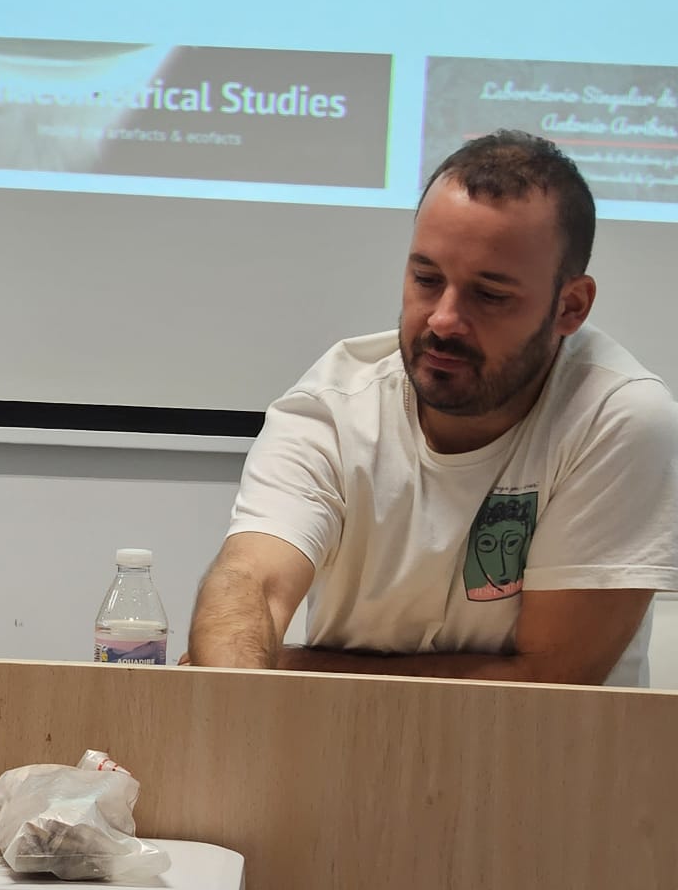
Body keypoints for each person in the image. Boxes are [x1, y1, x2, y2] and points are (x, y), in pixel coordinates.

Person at [187, 130, 678, 685]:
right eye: (426, 279)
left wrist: (302, 667)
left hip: (548, 762)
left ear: (570, 306)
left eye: (489, 295)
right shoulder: (335, 403)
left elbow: (551, 683)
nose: (442, 319)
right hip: (340, 751)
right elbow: (251, 582)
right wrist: (233, 687)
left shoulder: (619, 414)